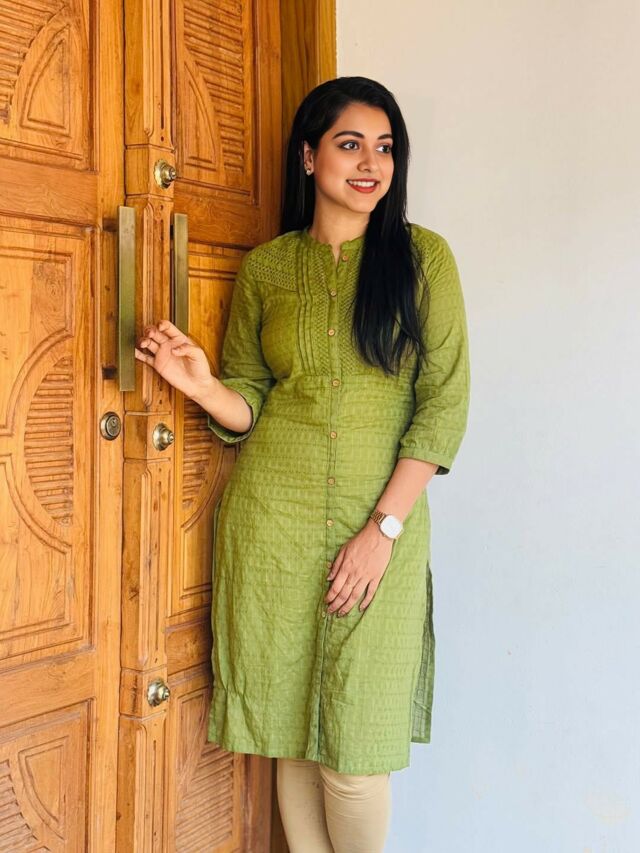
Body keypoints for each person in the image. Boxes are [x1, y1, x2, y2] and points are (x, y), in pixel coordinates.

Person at [135, 76, 470, 853]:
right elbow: (251, 398)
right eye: (350, 144)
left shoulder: (423, 260)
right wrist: (203, 385)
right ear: (310, 156)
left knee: (353, 758)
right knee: (292, 736)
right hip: (274, 527)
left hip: (378, 527)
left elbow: (444, 406)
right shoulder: (268, 268)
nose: (371, 163)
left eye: (385, 147)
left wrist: (382, 531)